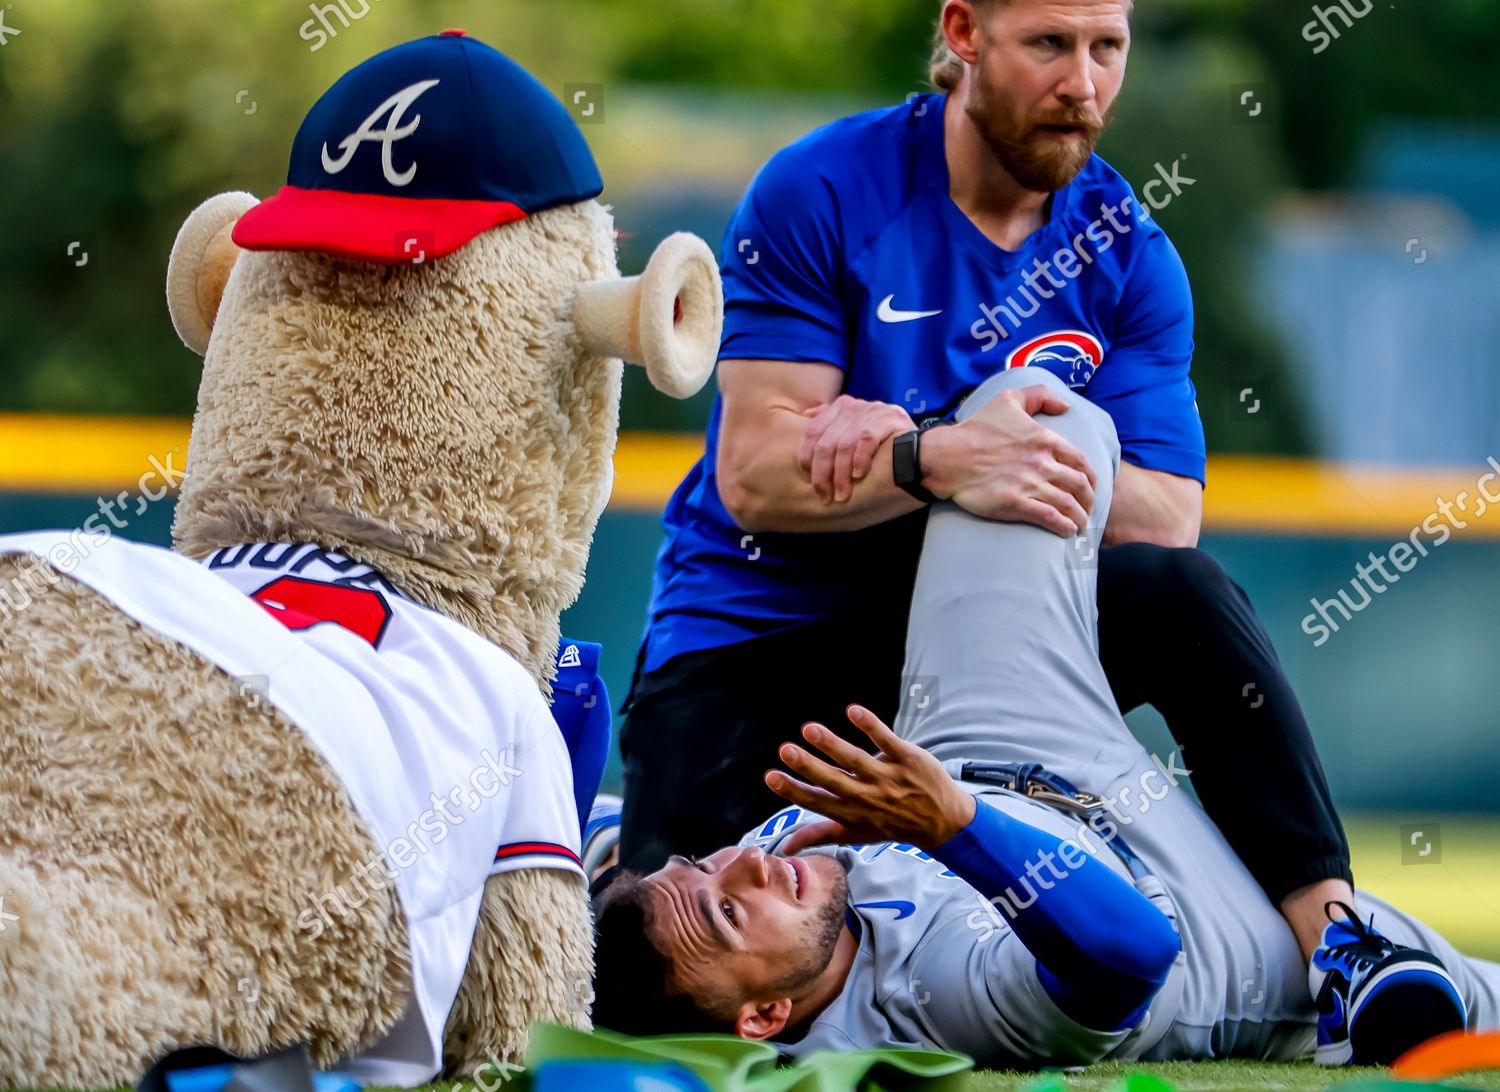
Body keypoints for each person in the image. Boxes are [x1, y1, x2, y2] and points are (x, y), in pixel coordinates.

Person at [619, 0, 1351, 971]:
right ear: (964, 35)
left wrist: (930, 437)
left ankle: (1341, 941)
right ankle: (603, 841)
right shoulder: (823, 187)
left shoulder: (1128, 250)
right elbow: (756, 477)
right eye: (1049, 43)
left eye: (1107, 48)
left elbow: (1167, 520)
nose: (1083, 84)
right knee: (678, 976)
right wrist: (944, 455)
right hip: (763, 637)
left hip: (981, 631)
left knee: (1184, 595)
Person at [593, 370, 1494, 1068]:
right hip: (1202, 915)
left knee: (1034, 421)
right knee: (1461, 1004)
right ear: (764, 1019)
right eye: (724, 914)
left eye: (705, 867)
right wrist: (955, 825)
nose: (746, 863)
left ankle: (932, 444)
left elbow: (571, 841)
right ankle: (1338, 953)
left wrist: (910, 443)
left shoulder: (761, 886)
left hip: (995, 747)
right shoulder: (930, 1001)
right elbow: (1133, 953)